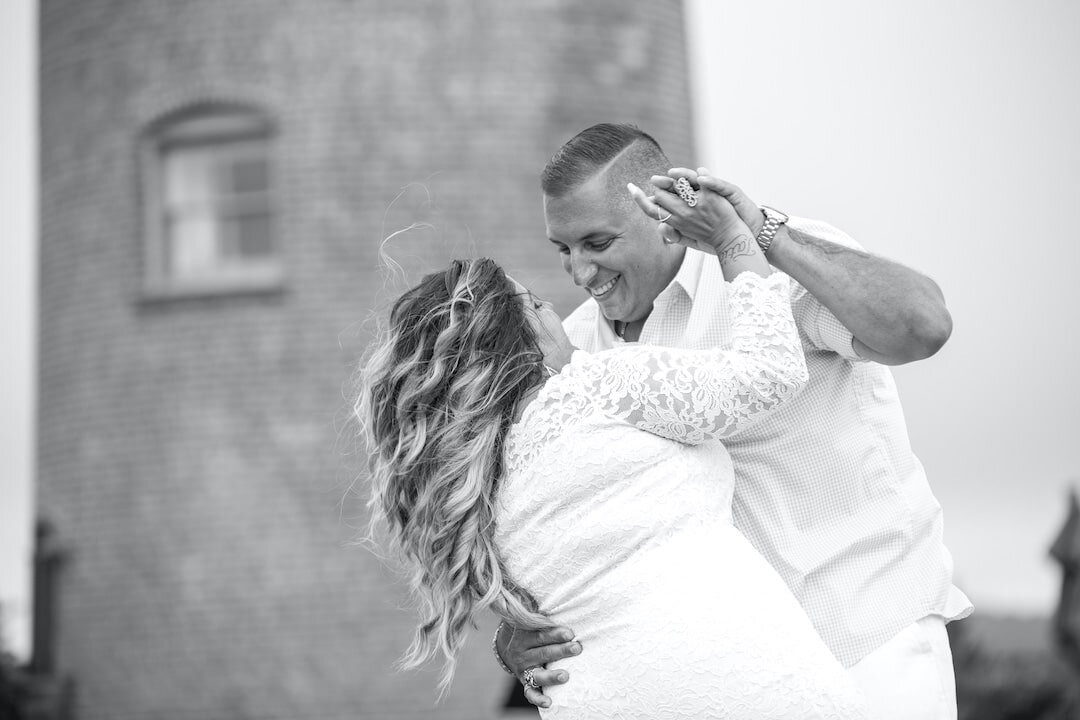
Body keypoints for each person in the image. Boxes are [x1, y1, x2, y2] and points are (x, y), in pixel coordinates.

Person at [494, 123, 972, 720]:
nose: (582, 274)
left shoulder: (775, 272)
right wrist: (517, 627)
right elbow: (550, 516)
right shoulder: (572, 352)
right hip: (731, 680)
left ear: (660, 209)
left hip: (869, 641)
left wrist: (762, 237)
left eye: (598, 242)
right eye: (563, 250)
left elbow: (923, 327)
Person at [356, 202, 869, 717]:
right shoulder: (597, 383)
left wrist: (506, 645)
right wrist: (738, 239)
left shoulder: (466, 488)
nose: (559, 310)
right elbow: (769, 373)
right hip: (742, 690)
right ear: (520, 334)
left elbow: (549, 608)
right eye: (537, 304)